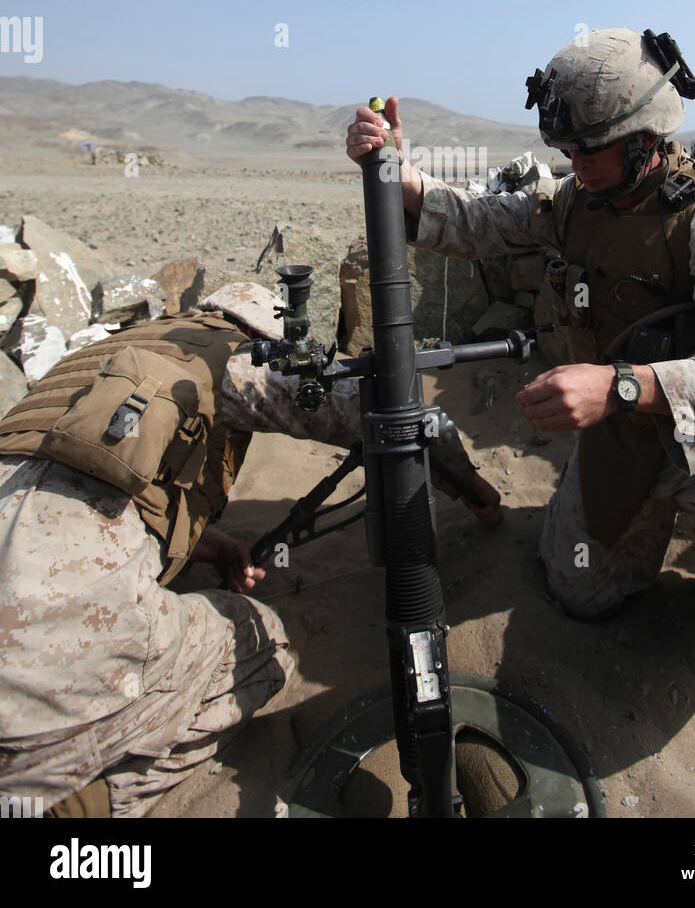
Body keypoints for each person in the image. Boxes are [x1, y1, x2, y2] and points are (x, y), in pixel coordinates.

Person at [345, 28, 695, 728]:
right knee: (581, 591)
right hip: (627, 439)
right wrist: (402, 176)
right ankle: (649, 534)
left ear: (645, 138)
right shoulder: (575, 205)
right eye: (565, 151)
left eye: (589, 148)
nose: (573, 163)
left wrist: (619, 386)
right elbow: (476, 223)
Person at [0, 281, 497, 816]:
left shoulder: (99, 357)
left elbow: (75, 475)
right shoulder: (236, 358)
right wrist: (477, 493)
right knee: (260, 647)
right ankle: (74, 804)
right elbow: (397, 413)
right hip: (31, 664)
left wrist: (200, 545)